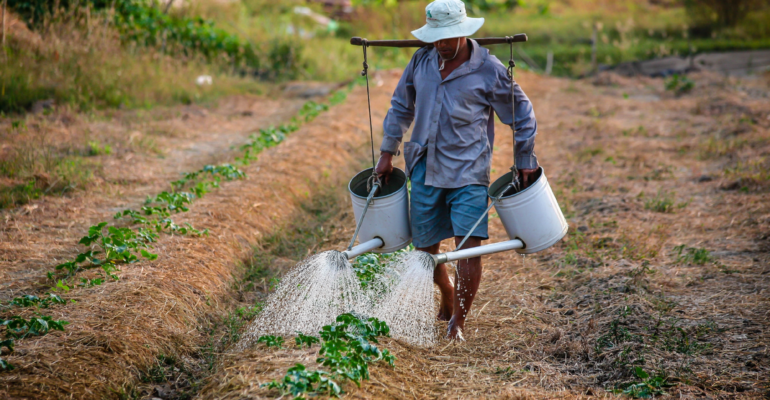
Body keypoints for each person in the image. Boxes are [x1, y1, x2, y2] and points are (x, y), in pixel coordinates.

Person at [375, 0, 539, 340]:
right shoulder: (421, 61)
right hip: (424, 167)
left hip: (469, 172)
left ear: (464, 33)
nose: (442, 44)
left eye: (448, 37)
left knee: (469, 248)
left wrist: (524, 159)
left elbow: (522, 115)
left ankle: (457, 323)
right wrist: (387, 151)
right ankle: (447, 292)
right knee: (425, 252)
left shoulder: (489, 70)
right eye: (436, 37)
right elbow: (400, 106)